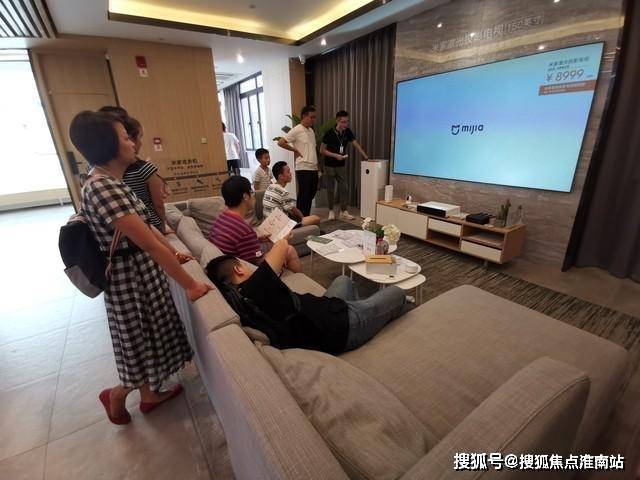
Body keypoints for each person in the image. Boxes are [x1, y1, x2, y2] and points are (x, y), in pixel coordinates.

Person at [69, 110, 211, 425]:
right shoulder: (103, 186)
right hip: (129, 279)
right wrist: (191, 285)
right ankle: (116, 395)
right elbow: (148, 243)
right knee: (138, 342)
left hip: (139, 272)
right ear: (107, 145)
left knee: (148, 338)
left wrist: (174, 254)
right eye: (125, 137)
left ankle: (149, 396)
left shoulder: (111, 181)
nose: (133, 142)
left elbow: (147, 230)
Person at [205, 238, 408, 353]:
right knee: (397, 293)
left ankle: (368, 311)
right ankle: (369, 317)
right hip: (339, 328)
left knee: (343, 280)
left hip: (320, 313)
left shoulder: (241, 299)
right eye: (243, 264)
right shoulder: (257, 286)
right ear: (238, 270)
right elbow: (282, 244)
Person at [208, 175, 302, 273]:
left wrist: (256, 238)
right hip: (246, 273)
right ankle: (299, 280)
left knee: (273, 246)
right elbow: (260, 263)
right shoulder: (243, 229)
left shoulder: (222, 218)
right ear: (245, 196)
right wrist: (283, 241)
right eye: (251, 192)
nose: (253, 196)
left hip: (228, 266)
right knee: (289, 250)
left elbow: (238, 242)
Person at [118, 116, 168, 233]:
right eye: (140, 137)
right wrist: (163, 226)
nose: (140, 143)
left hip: (129, 228)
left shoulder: (113, 171)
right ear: (131, 138)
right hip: (151, 223)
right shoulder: (146, 169)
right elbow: (158, 204)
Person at [320, 110, 369, 221]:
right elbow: (322, 150)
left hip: (341, 165)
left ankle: (343, 211)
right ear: (337, 121)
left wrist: (365, 156)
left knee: (344, 188)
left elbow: (355, 144)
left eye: (347, 121)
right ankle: (331, 211)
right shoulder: (329, 133)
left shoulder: (347, 132)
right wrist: (335, 155)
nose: (345, 124)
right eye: (343, 122)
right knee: (330, 189)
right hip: (329, 165)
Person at [277, 105, 318, 217]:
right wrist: (294, 149)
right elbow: (281, 142)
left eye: (314, 117)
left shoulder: (311, 131)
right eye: (311, 117)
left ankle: (306, 217)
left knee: (311, 194)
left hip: (313, 168)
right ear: (304, 116)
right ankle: (300, 219)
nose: (313, 120)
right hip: (303, 167)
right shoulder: (296, 130)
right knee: (304, 195)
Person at [263, 161, 320, 227]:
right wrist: (304, 218)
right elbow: (295, 210)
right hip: (279, 227)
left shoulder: (270, 187)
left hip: (267, 224)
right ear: (280, 176)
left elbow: (289, 208)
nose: (291, 173)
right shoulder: (283, 192)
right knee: (316, 218)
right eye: (288, 172)